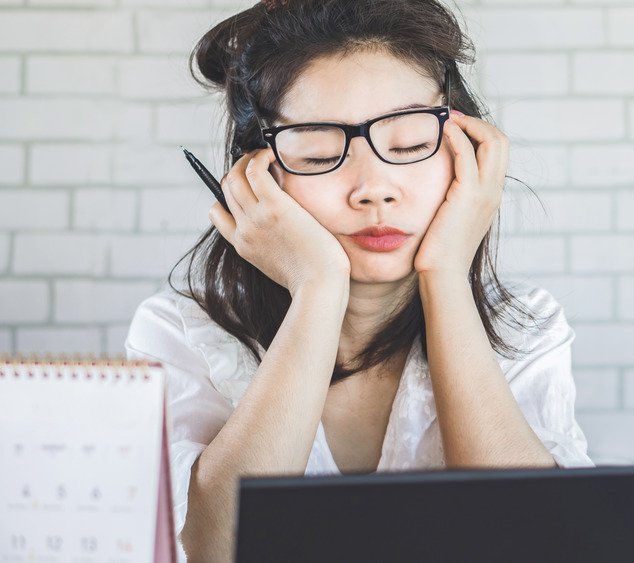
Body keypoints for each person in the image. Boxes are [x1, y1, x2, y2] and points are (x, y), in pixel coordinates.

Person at [124, 0, 594, 560]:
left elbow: (539, 544)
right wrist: (317, 287)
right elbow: (211, 550)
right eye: (320, 150)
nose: (374, 188)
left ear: (469, 154)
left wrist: (443, 274)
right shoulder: (179, 332)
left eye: (411, 145)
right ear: (255, 177)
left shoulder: (527, 328)